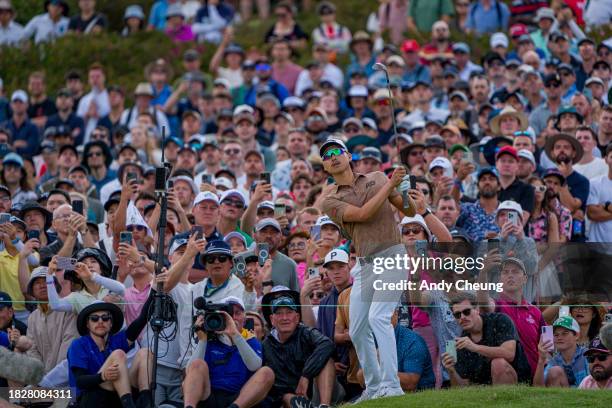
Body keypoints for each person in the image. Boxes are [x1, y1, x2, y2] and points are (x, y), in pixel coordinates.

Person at [320, 137, 417, 401]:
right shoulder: (330, 201)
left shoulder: (376, 176)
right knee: (357, 328)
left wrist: (404, 191)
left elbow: (409, 210)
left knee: (378, 318)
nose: (332, 156)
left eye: (336, 151)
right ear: (326, 167)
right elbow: (363, 214)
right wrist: (391, 185)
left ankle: (392, 387)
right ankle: (373, 388)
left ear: (348, 155)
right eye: (326, 156)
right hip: (365, 265)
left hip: (392, 256)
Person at [182, 296, 274, 408]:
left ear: (244, 319)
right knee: (197, 364)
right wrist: (202, 340)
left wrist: (235, 334)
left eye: (238, 313)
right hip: (210, 395)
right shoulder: (211, 338)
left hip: (239, 398)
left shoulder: (250, 339)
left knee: (267, 372)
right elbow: (190, 371)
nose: (233, 317)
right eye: (229, 313)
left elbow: (254, 366)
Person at [261, 289, 340, 407]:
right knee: (285, 396)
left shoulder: (306, 332)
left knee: (326, 360)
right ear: (272, 319)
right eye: (279, 313)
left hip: (317, 388)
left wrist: (306, 375)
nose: (284, 317)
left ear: (297, 317)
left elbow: (327, 344)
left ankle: (325, 405)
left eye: (289, 312)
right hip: (293, 396)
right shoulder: (266, 344)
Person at [67, 300, 153, 408]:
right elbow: (80, 381)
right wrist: (103, 376)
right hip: (88, 399)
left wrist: (154, 289)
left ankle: (146, 403)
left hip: (113, 397)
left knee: (144, 353)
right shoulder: (78, 344)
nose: (100, 321)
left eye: (105, 318)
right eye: (94, 318)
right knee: (118, 354)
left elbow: (142, 319)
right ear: (87, 324)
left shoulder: (115, 340)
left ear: (111, 323)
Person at [441, 292, 532, 386]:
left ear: (477, 309)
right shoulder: (462, 343)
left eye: (466, 312)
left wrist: (475, 347)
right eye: (457, 315)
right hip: (486, 391)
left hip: (519, 384)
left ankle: (505, 400)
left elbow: (509, 354)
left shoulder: (500, 320)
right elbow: (464, 387)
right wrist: (451, 371)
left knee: (498, 363)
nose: (462, 317)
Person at [534, 316, 589, 388]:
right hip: (562, 399)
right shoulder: (554, 361)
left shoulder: (588, 355)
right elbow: (538, 388)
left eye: (564, 333)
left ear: (576, 335)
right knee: (555, 371)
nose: (559, 337)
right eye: (556, 335)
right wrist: (541, 360)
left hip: (586, 398)